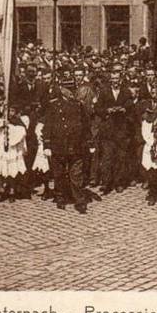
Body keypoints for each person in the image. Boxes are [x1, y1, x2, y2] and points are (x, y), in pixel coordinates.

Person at [41, 74, 95, 214]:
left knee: (76, 174)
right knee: (59, 174)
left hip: (76, 145)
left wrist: (90, 142)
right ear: (62, 89)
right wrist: (46, 145)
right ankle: (60, 197)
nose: (70, 91)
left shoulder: (79, 105)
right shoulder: (54, 106)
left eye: (72, 88)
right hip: (58, 145)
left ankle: (79, 200)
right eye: (67, 88)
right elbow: (47, 126)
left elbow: (86, 126)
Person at [0, 104, 30, 202]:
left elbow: (21, 132)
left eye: (12, 111)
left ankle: (12, 191)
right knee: (0, 169)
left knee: (11, 170)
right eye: (8, 111)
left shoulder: (18, 122)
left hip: (12, 148)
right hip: (0, 147)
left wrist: (11, 129)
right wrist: (2, 124)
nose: (10, 113)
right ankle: (1, 190)